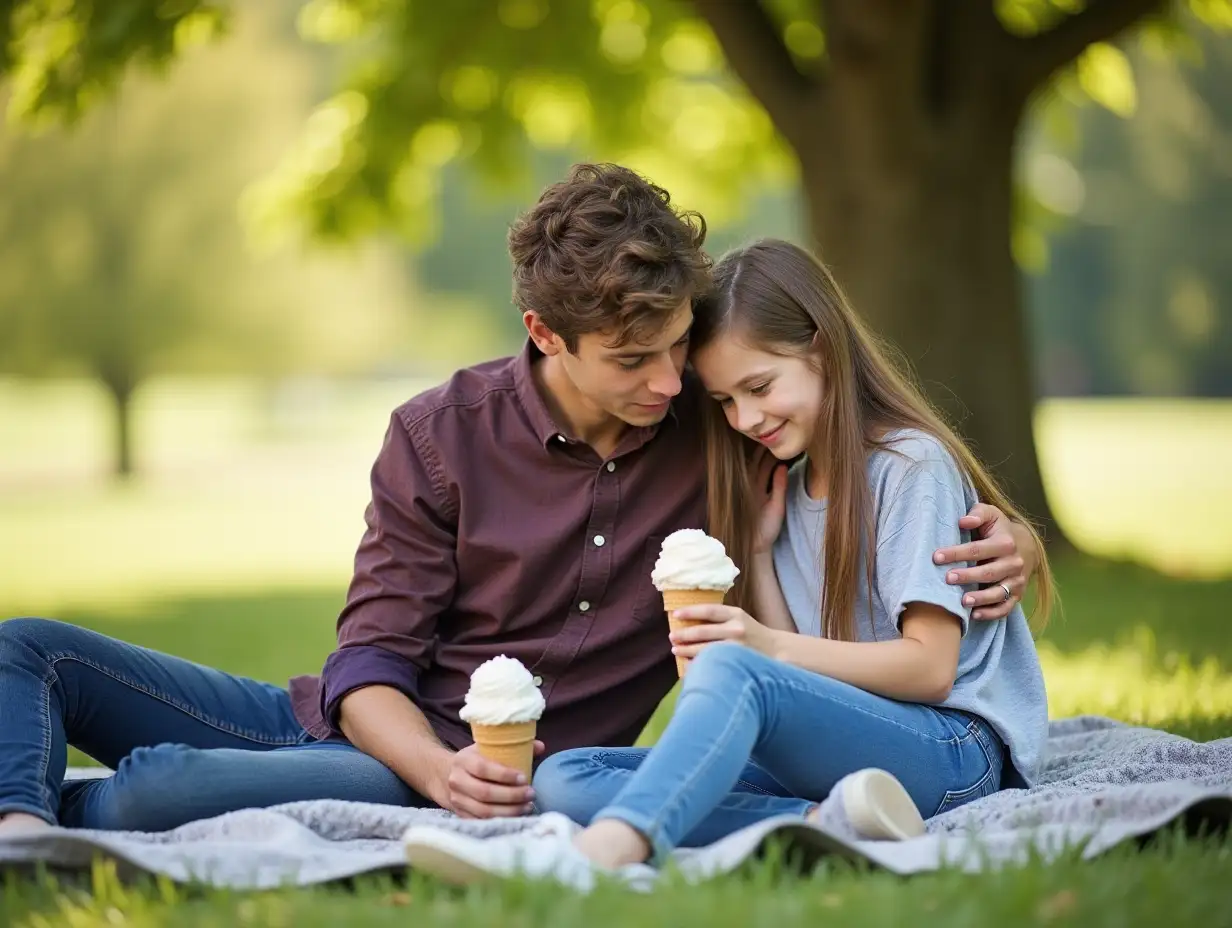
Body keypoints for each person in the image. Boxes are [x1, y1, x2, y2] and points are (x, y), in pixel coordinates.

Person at [0, 168, 1036, 838]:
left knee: (149, 793)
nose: (671, 385)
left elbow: (852, 442)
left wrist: (1013, 537)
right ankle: (21, 825)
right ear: (545, 335)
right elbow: (367, 665)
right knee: (30, 647)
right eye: (635, 361)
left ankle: (66, 817)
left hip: (521, 772)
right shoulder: (437, 434)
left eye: (680, 349)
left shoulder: (712, 427)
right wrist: (440, 771)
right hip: (392, 737)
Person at [401, 238, 1053, 888]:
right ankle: (825, 820)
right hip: (854, 761)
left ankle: (603, 852)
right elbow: (806, 667)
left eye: (759, 387)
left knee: (739, 667)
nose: (746, 418)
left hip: (951, 754)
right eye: (724, 402)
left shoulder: (909, 466)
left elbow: (930, 668)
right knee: (567, 777)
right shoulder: (788, 488)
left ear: (822, 348)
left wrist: (763, 647)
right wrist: (764, 558)